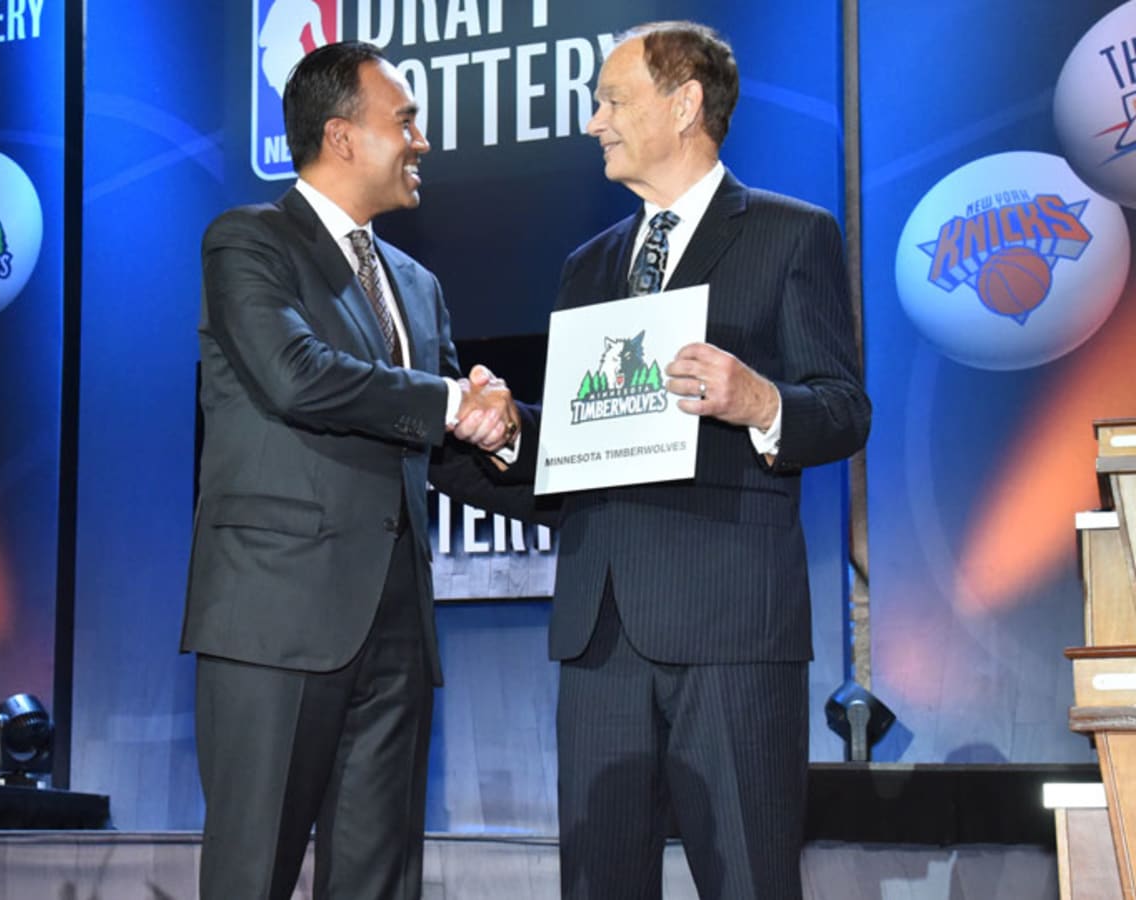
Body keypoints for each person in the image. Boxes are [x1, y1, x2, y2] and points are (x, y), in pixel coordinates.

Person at [459, 20, 872, 900]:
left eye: (612, 100)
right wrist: (513, 431)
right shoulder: (588, 265)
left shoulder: (790, 236)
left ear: (685, 105)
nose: (594, 121)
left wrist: (760, 401)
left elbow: (844, 410)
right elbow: (588, 432)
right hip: (599, 633)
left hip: (730, 632)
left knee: (750, 881)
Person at [181, 41, 519, 900]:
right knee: (252, 874)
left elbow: (447, 445)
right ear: (341, 137)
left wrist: (508, 430)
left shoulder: (417, 285)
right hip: (276, 622)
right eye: (405, 121)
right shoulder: (248, 242)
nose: (422, 141)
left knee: (379, 881)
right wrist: (452, 400)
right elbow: (296, 376)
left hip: (398, 630)